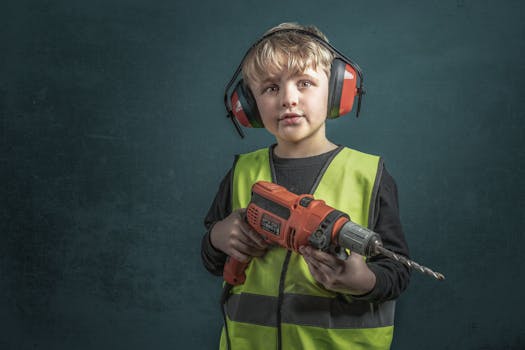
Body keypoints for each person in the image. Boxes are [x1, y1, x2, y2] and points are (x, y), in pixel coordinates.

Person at [201, 22, 410, 350]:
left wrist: (363, 281)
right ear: (249, 105)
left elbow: (397, 272)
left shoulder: (368, 175)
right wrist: (217, 237)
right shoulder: (241, 172)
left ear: (337, 91)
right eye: (270, 88)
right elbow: (211, 258)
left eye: (305, 83)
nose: (288, 99)